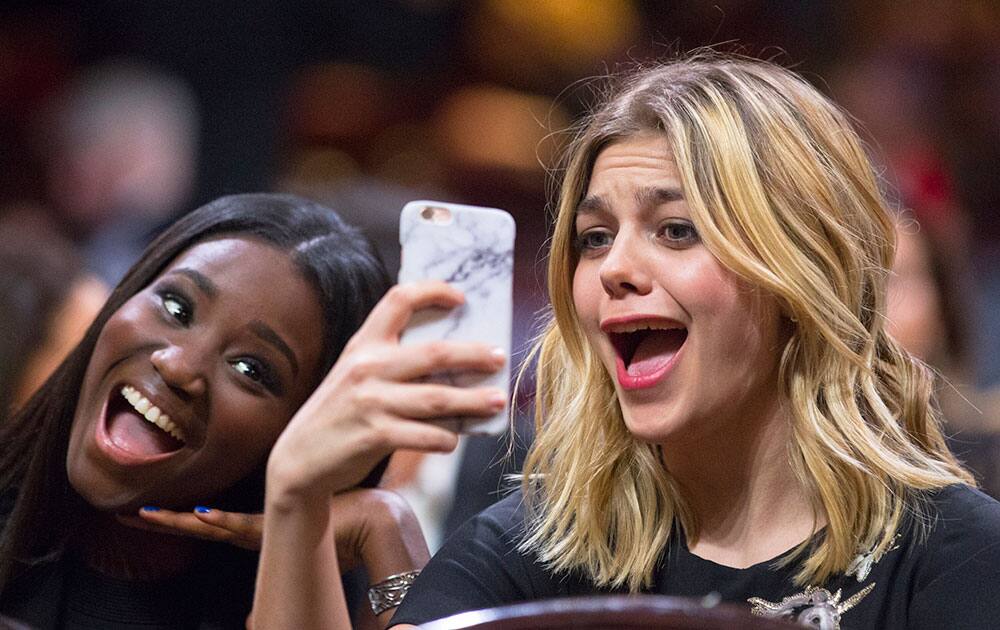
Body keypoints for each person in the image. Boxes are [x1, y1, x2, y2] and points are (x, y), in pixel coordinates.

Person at [250, 56, 1000, 629]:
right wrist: (297, 500)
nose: (614, 270)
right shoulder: (538, 543)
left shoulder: (950, 551)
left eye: (676, 230)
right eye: (594, 237)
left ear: (799, 275)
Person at [0, 193, 442, 629]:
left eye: (250, 369)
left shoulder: (315, 601)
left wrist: (386, 530)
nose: (177, 366)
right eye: (177, 307)